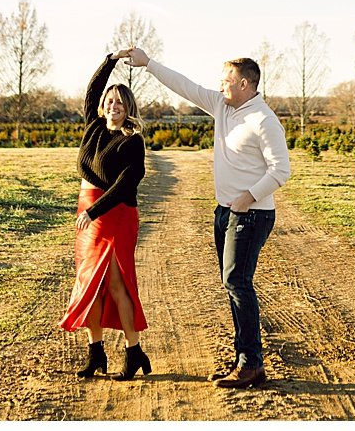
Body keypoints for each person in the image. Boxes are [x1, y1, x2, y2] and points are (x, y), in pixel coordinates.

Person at [119, 46, 290, 389]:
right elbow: (185, 86)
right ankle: (243, 358)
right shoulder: (222, 106)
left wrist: (247, 197)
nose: (220, 85)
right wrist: (148, 63)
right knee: (232, 284)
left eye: (226, 80)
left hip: (251, 213)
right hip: (225, 211)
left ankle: (251, 363)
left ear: (245, 83)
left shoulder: (263, 120)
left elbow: (281, 170)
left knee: (237, 282)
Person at [58, 51, 151, 380]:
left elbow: (126, 185)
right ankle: (95, 352)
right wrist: (111, 58)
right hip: (87, 209)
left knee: (115, 284)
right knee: (89, 284)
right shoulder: (94, 126)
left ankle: (133, 351)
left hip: (115, 213)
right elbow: (92, 89)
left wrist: (95, 210)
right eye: (110, 101)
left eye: (120, 103)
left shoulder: (132, 141)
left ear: (128, 110)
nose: (113, 105)